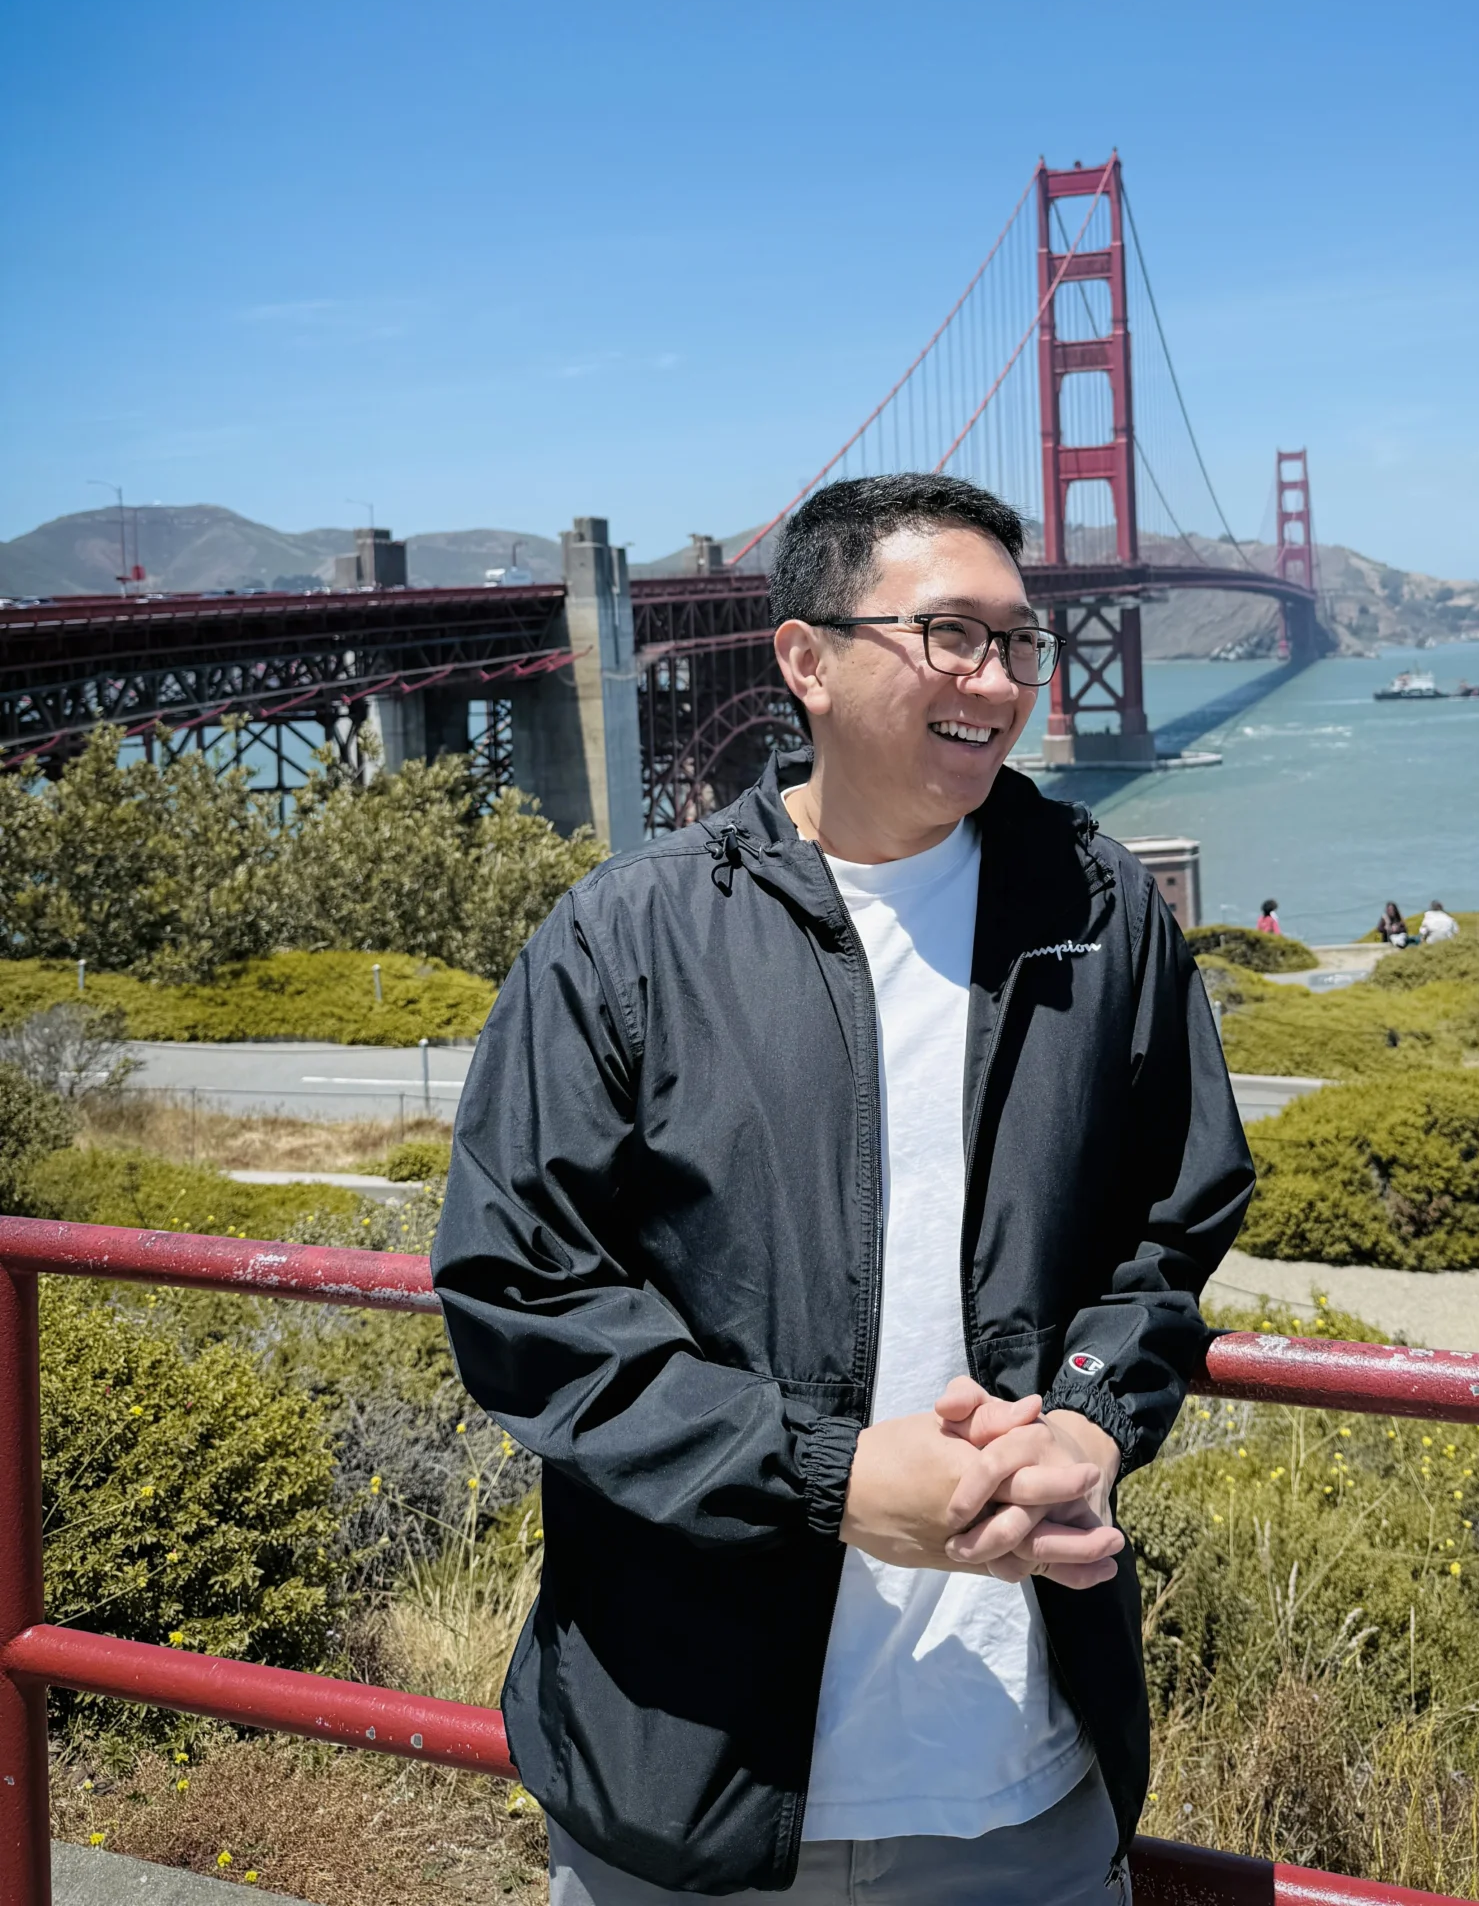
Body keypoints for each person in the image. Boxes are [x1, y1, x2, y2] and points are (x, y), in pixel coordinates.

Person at [432, 472, 1255, 1903]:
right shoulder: (630, 937)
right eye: (951, 635)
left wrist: (1091, 1413)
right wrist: (832, 1478)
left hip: (1024, 1786)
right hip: (687, 1781)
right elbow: (521, 1292)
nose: (999, 682)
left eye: (1019, 643)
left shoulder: (1103, 912)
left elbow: (1170, 1230)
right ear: (806, 659)